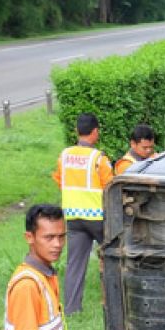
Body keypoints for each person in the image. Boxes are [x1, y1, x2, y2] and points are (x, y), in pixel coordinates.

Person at [52, 113, 113, 316]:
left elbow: (60, 180)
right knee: (114, 257)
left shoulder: (65, 155)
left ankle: (71, 309)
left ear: (77, 131)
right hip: (97, 218)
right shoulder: (99, 159)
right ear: (95, 132)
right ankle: (116, 303)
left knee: (75, 264)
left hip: (72, 217)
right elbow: (111, 187)